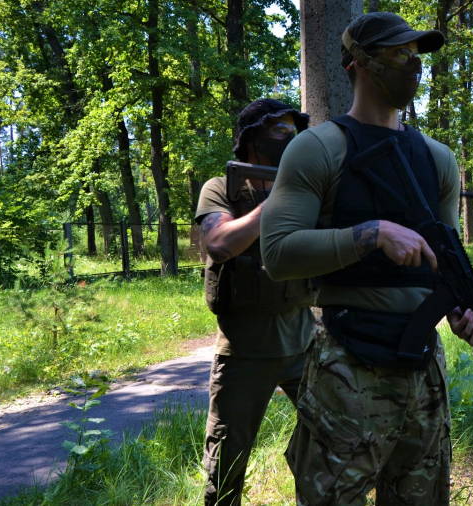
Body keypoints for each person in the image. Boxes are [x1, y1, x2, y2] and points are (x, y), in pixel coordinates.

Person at [260, 12, 473, 506]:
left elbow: (445, 261)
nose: (414, 64)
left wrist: (461, 310)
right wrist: (371, 234)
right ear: (359, 63)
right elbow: (276, 253)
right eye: (400, 53)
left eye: (417, 54)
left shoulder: (438, 159)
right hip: (347, 367)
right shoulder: (317, 149)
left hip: (423, 373)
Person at [195, 98, 315, 506]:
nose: (290, 137)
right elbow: (219, 243)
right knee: (227, 460)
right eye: (279, 130)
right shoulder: (221, 188)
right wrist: (276, 202)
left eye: (293, 129)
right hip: (245, 348)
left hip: (304, 342)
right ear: (252, 138)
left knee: (331, 436)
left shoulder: (305, 189)